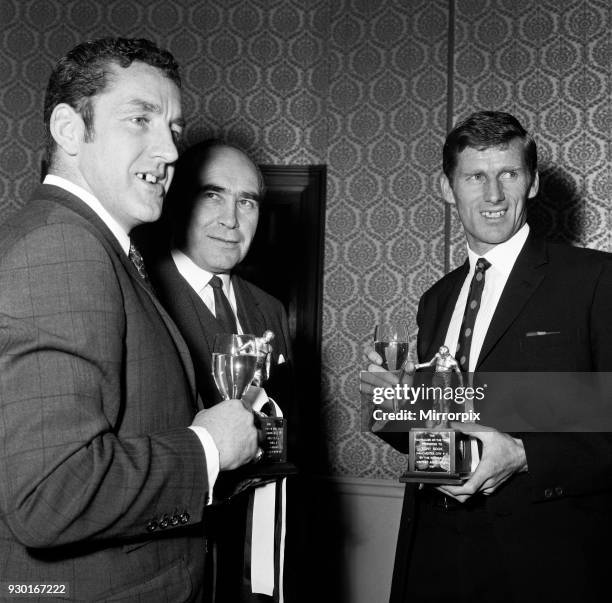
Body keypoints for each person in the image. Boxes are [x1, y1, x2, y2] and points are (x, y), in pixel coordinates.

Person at [0, 38, 260, 601]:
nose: (169, 150)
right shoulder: (60, 249)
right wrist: (208, 448)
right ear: (69, 130)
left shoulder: (99, 248)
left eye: (173, 128)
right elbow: (49, 495)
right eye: (140, 120)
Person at [362, 111, 612, 602]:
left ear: (533, 183)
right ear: (446, 187)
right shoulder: (436, 299)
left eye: (509, 174)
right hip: (434, 558)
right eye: (476, 176)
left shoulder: (595, 280)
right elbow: (438, 433)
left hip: (546, 565)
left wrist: (522, 455)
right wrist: (391, 407)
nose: (493, 195)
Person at [143, 140, 293, 602]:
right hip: (166, 554)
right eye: (213, 195)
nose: (231, 219)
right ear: (179, 200)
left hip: (254, 555)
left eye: (246, 201)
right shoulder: (142, 290)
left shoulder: (268, 309)